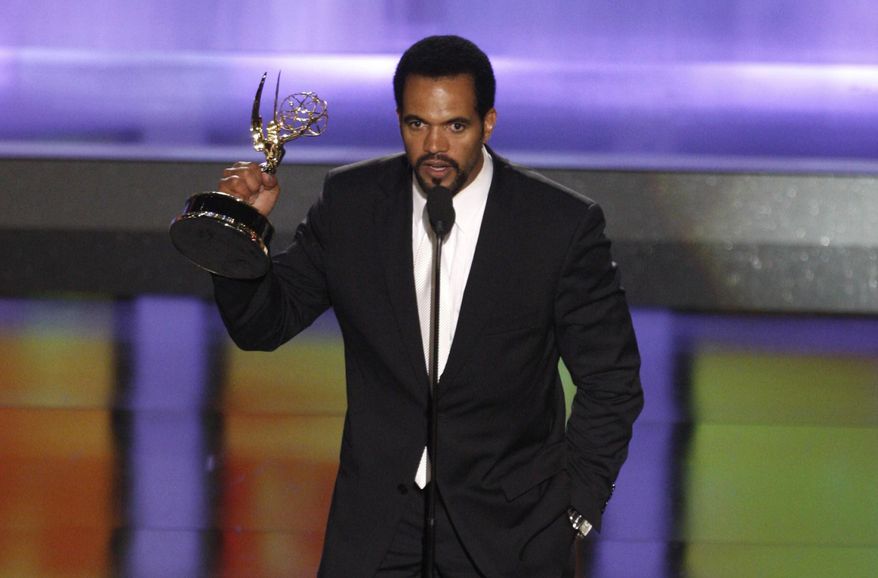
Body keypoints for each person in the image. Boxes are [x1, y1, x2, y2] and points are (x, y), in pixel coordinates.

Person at [212, 35, 643, 577]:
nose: (434, 146)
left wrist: (576, 506)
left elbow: (613, 378)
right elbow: (263, 324)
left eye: (455, 126)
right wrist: (241, 235)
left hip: (509, 531)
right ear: (399, 119)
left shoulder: (558, 226)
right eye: (417, 124)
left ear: (488, 122)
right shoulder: (352, 205)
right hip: (377, 527)